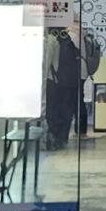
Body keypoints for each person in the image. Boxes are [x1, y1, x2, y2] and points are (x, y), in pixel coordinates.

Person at [43, 19, 100, 150]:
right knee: (68, 107)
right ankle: (64, 138)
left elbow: (48, 62)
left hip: (56, 79)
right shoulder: (76, 35)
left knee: (55, 110)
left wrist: (44, 79)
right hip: (73, 76)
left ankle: (54, 141)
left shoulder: (54, 38)